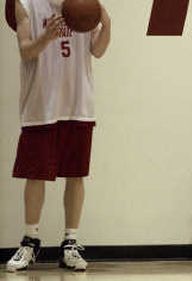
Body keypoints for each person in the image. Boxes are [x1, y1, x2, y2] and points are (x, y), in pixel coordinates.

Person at [6, 0, 111, 272]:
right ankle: (30, 242)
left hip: (78, 103)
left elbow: (98, 50)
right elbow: (25, 51)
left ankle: (70, 243)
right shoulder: (26, 4)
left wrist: (106, 22)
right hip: (40, 104)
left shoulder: (85, 4)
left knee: (76, 175)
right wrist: (46, 37)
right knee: (35, 175)